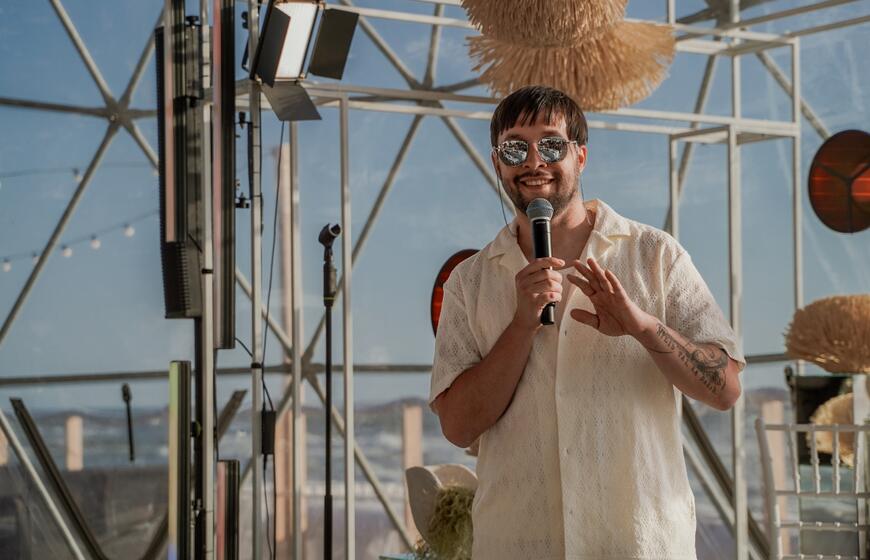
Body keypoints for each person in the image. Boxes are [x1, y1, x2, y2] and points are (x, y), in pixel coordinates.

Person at [429, 85, 745, 559]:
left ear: (580, 156)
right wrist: (520, 326)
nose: (534, 161)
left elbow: (725, 390)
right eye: (515, 148)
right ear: (497, 163)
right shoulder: (469, 282)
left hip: (638, 545)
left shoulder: (655, 255)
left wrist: (643, 327)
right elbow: (457, 427)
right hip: (519, 545)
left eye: (551, 145)